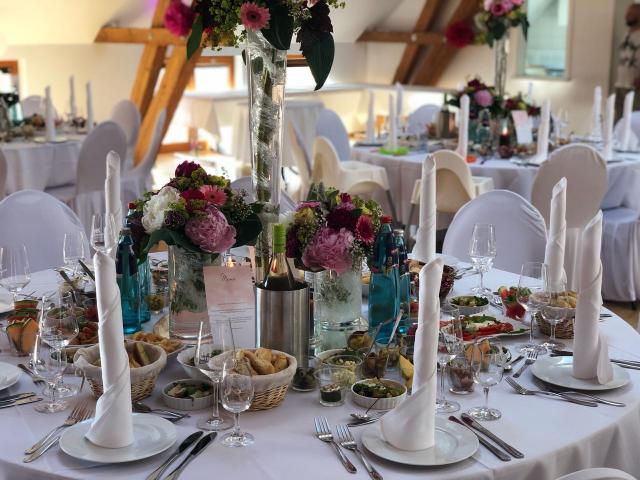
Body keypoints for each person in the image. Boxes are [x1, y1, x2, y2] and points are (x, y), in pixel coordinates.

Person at [615, 4, 640, 121]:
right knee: (619, 118)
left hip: (634, 86)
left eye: (630, 14)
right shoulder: (626, 34)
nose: (626, 16)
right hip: (620, 83)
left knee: (631, 119)